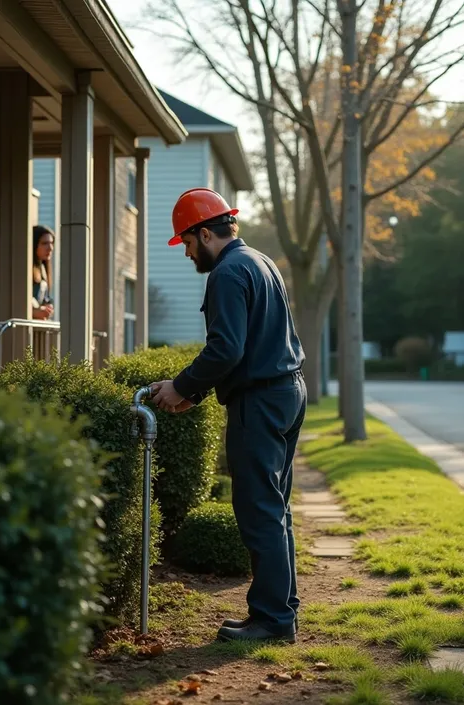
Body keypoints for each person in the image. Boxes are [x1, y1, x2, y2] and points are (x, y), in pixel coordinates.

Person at [152, 188, 306, 644]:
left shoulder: (226, 273)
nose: (187, 254)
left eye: (187, 243)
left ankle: (272, 621)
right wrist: (195, 395)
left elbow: (227, 348)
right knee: (275, 508)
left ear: (204, 233)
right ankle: (282, 611)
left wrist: (180, 386)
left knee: (259, 511)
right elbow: (250, 344)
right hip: (287, 392)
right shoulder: (261, 261)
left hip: (258, 402)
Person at [32, 225, 55, 321]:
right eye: (44, 243)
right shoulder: (26, 270)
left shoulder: (43, 269)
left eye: (51, 243)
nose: (50, 248)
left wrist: (48, 308)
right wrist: (35, 311)